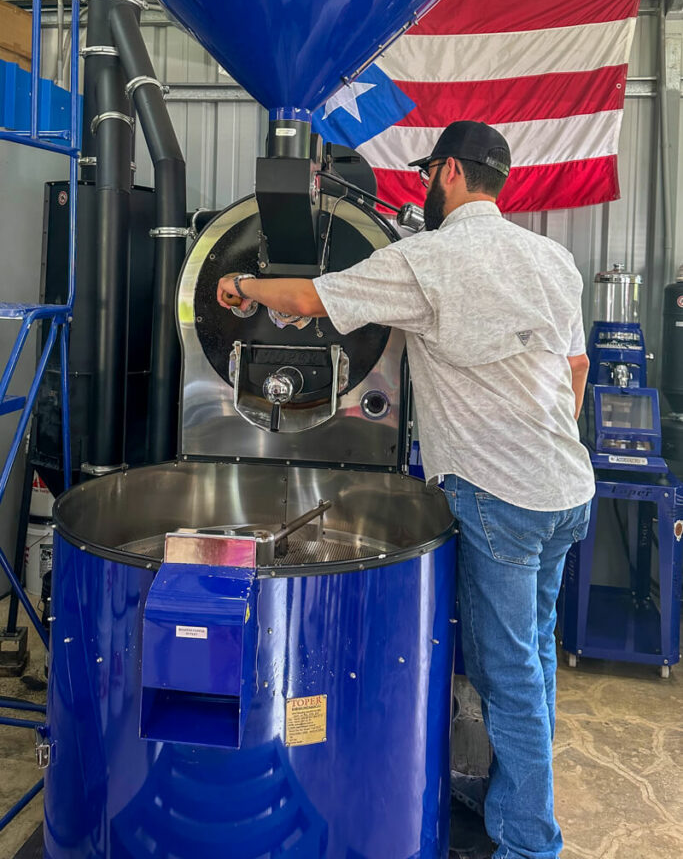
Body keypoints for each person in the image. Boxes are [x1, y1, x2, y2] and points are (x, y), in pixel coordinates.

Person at [217, 120, 595, 859]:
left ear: (448, 173)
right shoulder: (553, 259)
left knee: (505, 672)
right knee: (534, 656)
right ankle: (510, 796)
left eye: (428, 174)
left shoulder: (432, 258)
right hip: (565, 488)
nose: (423, 186)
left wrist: (240, 285)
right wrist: (541, 440)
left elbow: (312, 297)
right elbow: (575, 369)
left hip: (499, 496)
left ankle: (527, 842)